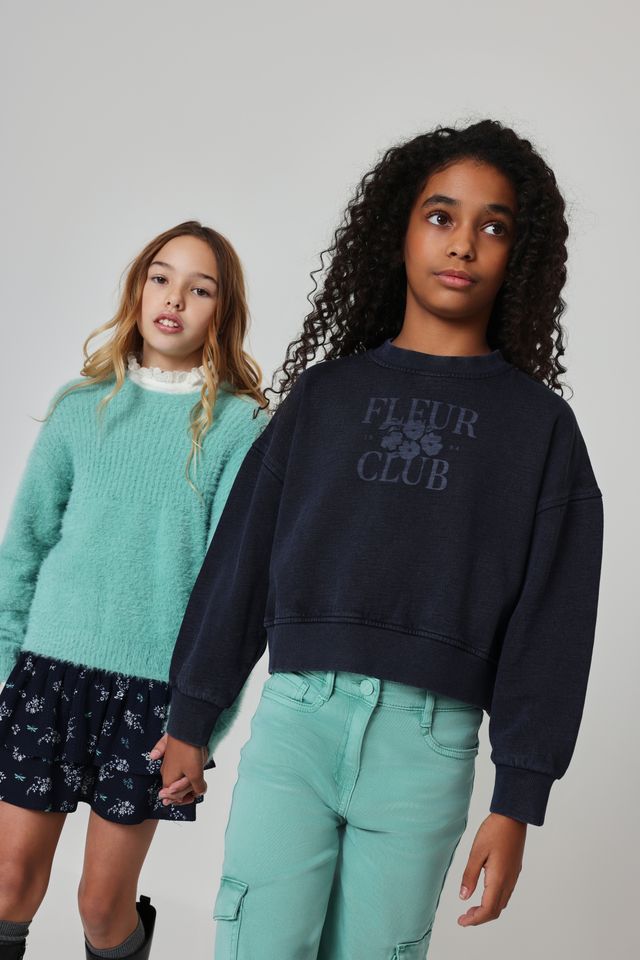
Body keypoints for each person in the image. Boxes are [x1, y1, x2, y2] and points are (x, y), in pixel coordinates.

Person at [160, 121, 605, 958]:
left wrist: (518, 798)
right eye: (441, 216)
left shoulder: (540, 430)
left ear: (521, 254)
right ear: (398, 228)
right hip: (296, 725)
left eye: (494, 226)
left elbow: (553, 623)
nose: (464, 242)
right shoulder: (324, 398)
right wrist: (192, 713)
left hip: (429, 748)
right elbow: (242, 563)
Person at [0, 221, 269, 960]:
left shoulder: (241, 427)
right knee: (9, 883)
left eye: (199, 288)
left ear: (222, 311)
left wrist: (203, 726)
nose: (174, 299)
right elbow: (23, 550)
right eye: (161, 277)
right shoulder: (79, 406)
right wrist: (3, 672)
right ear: (138, 288)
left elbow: (236, 593)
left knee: (100, 906)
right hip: (46, 676)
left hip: (152, 698)